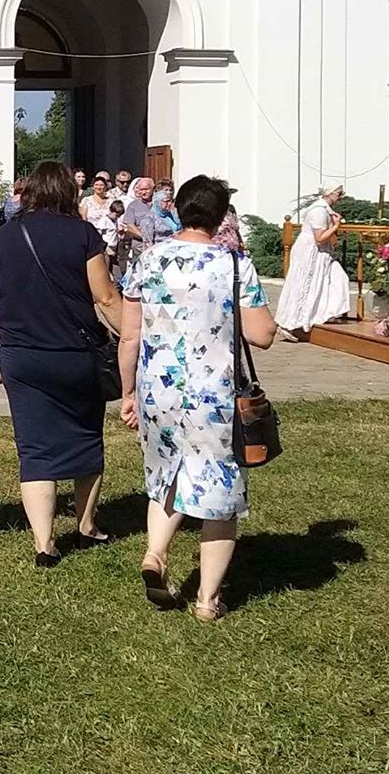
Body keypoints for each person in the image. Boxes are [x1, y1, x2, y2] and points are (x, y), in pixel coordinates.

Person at [119, 175, 276, 622]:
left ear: (180, 208)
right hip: (214, 394)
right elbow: (261, 335)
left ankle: (156, 553)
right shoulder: (232, 266)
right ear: (221, 214)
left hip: (159, 391)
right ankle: (208, 600)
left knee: (166, 474)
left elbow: (130, 335)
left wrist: (127, 392)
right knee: (220, 493)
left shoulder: (148, 261)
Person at [0, 160, 124, 568]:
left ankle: (44, 543)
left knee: (34, 448)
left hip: (20, 355)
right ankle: (85, 525)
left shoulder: (5, 238)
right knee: (86, 436)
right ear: (68, 191)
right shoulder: (83, 234)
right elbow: (105, 299)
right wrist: (135, 337)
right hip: (73, 354)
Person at [275, 185, 351, 337]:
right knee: (303, 285)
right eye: (338, 193)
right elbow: (319, 238)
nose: (341, 196)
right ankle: (289, 322)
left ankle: (326, 313)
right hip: (311, 252)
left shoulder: (325, 209)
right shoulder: (318, 211)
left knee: (338, 278)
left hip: (322, 252)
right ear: (329, 193)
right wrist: (336, 226)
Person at [119, 176, 164, 271]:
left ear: (153, 189)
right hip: (140, 247)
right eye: (141, 190)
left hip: (160, 246)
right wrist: (146, 237)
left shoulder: (162, 203)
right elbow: (130, 226)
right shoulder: (133, 205)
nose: (143, 192)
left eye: (146, 189)